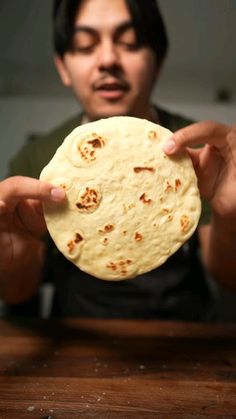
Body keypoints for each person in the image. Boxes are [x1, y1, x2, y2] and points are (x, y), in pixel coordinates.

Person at [0, 0, 235, 320]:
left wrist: (229, 214)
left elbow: (228, 278)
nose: (108, 59)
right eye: (85, 46)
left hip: (184, 338)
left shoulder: (202, 150)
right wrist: (16, 256)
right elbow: (18, 293)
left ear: (158, 61)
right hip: (75, 342)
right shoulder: (39, 157)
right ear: (62, 67)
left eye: (130, 43)